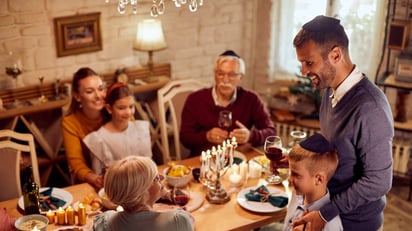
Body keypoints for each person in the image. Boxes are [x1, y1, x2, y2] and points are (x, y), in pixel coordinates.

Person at [292, 15, 394, 230]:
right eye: (302, 63)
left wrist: (326, 213)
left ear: (336, 55)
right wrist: (299, 162)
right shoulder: (330, 91)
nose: (303, 71)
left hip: (355, 223)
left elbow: (378, 183)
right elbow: (336, 150)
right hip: (330, 212)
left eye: (309, 63)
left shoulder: (370, 108)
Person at [180, 50, 276, 157]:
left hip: (238, 159)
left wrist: (250, 136)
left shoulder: (251, 99)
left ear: (241, 77)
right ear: (214, 74)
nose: (225, 80)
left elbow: (271, 132)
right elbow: (185, 138)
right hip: (204, 160)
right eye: (220, 74)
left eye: (232, 75)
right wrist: (206, 136)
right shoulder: (195, 100)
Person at [93, 156, 194, 231]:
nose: (162, 177)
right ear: (141, 193)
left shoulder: (104, 222)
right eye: (156, 178)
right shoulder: (178, 221)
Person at [83, 83, 152, 175]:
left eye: (131, 106)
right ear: (109, 108)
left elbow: (149, 165)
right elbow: (100, 176)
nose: (128, 112)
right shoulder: (99, 140)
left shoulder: (140, 130)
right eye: (121, 108)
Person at [283, 133, 342, 231]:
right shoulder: (297, 194)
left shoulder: (330, 225)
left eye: (296, 174)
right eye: (290, 172)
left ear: (319, 179)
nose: (289, 179)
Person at [62, 67, 106, 189]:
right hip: (91, 183)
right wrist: (95, 179)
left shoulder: (118, 110)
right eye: (89, 91)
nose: (98, 96)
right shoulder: (70, 122)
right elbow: (76, 163)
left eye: (101, 89)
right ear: (77, 96)